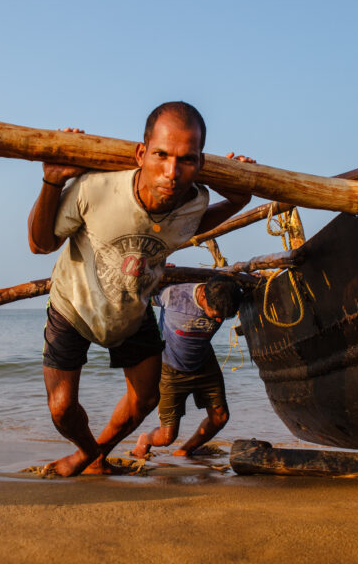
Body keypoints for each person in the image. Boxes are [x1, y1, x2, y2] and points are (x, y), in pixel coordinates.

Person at [27, 101, 254, 477]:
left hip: (131, 311)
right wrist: (52, 180)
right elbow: (39, 244)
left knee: (146, 399)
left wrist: (239, 197)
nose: (171, 172)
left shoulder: (194, 202)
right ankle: (86, 452)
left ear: (199, 164)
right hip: (75, 306)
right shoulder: (95, 188)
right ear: (141, 153)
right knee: (62, 408)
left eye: (186, 160)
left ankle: (94, 455)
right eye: (161, 155)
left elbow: (193, 227)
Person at [131, 276, 243, 458]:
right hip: (170, 369)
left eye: (224, 317)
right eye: (215, 314)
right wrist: (154, 274)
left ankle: (184, 450)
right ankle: (145, 439)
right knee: (167, 437)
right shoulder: (172, 295)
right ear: (204, 297)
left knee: (220, 418)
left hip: (205, 364)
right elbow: (139, 295)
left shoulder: (229, 298)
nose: (219, 319)